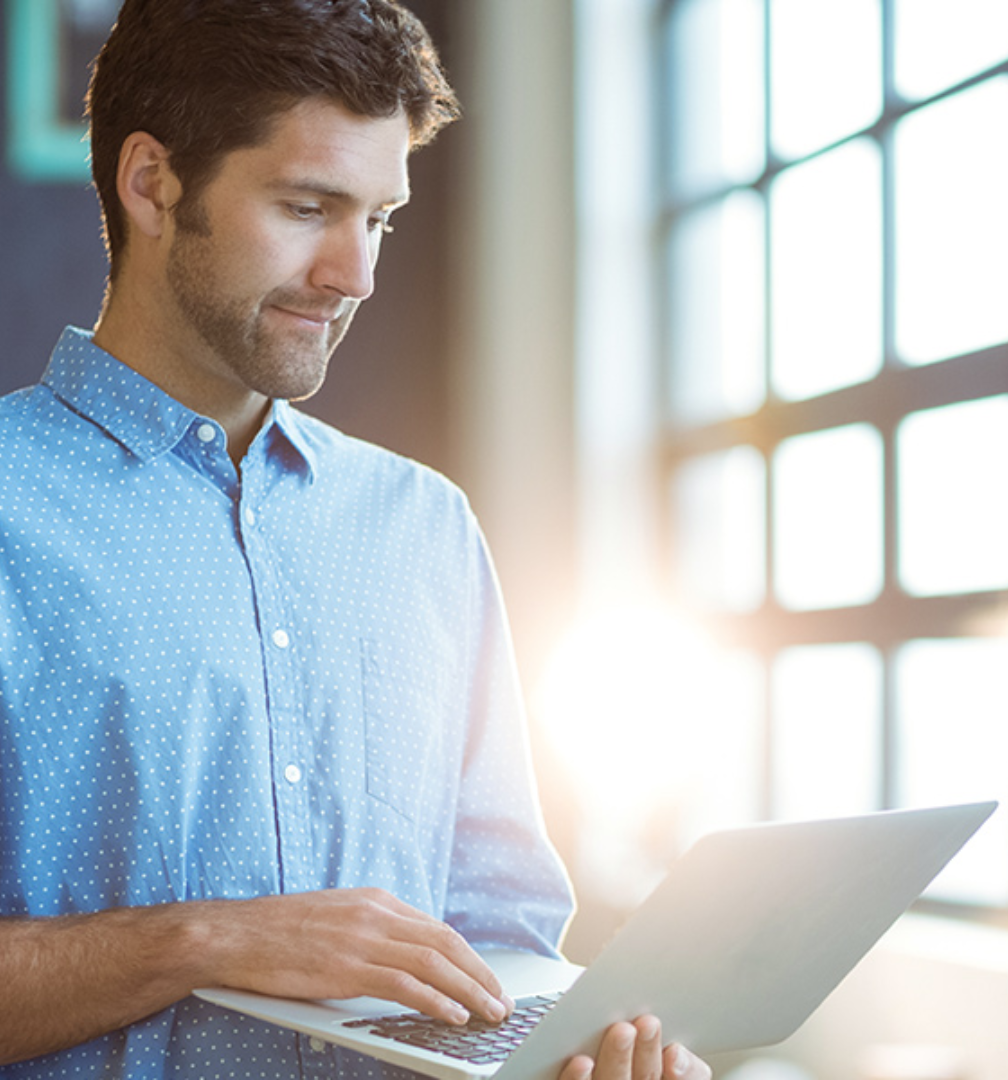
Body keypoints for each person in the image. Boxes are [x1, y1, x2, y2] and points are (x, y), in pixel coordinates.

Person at [0, 2, 713, 1080]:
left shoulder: (425, 526)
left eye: (379, 218)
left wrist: (577, 1052)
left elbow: (498, 930)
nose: (357, 274)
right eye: (307, 206)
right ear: (152, 184)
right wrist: (205, 941)